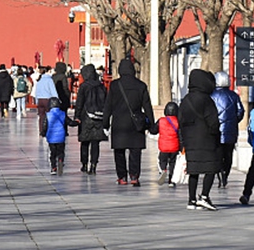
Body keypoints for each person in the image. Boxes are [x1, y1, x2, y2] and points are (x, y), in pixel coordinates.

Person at [103, 58, 156, 186]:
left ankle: (122, 177)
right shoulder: (141, 85)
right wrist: (151, 124)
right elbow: (147, 106)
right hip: (136, 123)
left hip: (119, 123)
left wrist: (105, 123)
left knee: (119, 151)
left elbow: (108, 106)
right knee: (135, 151)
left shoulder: (115, 85)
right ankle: (134, 176)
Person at [179, 69, 221, 211]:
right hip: (206, 140)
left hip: (190, 141)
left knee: (194, 170)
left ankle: (191, 200)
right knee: (211, 168)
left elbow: (180, 121)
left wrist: (183, 141)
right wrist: (215, 134)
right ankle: (204, 196)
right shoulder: (206, 100)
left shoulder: (185, 100)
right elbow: (213, 121)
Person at [211, 71, 244, 188]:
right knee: (228, 154)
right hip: (231, 130)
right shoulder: (234, 95)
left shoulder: (212, 95)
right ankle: (226, 174)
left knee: (218, 154)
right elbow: (240, 111)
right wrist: (233, 121)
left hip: (216, 130)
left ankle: (220, 175)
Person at [74, 64, 107, 174]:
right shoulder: (101, 86)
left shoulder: (84, 86)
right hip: (99, 117)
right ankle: (93, 165)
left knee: (85, 142)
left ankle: (84, 164)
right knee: (95, 143)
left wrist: (77, 116)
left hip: (86, 117)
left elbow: (79, 102)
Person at [45, 97, 79, 174]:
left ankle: (53, 167)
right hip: (61, 137)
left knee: (52, 153)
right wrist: (77, 122)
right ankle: (60, 160)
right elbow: (70, 122)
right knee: (61, 152)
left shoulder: (47, 115)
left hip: (51, 138)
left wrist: (43, 133)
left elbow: (45, 126)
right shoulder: (63, 114)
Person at [156, 102, 182, 186]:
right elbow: (181, 135)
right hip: (174, 146)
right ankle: (171, 180)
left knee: (162, 159)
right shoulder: (178, 122)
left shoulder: (161, 121)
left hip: (163, 147)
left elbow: (153, 130)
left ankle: (163, 170)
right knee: (173, 162)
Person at [32, 65, 58, 136]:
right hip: (47, 100)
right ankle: (48, 130)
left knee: (41, 116)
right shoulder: (49, 80)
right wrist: (56, 99)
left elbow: (36, 92)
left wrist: (37, 100)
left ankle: (41, 130)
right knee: (49, 115)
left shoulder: (39, 80)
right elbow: (53, 91)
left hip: (40, 100)